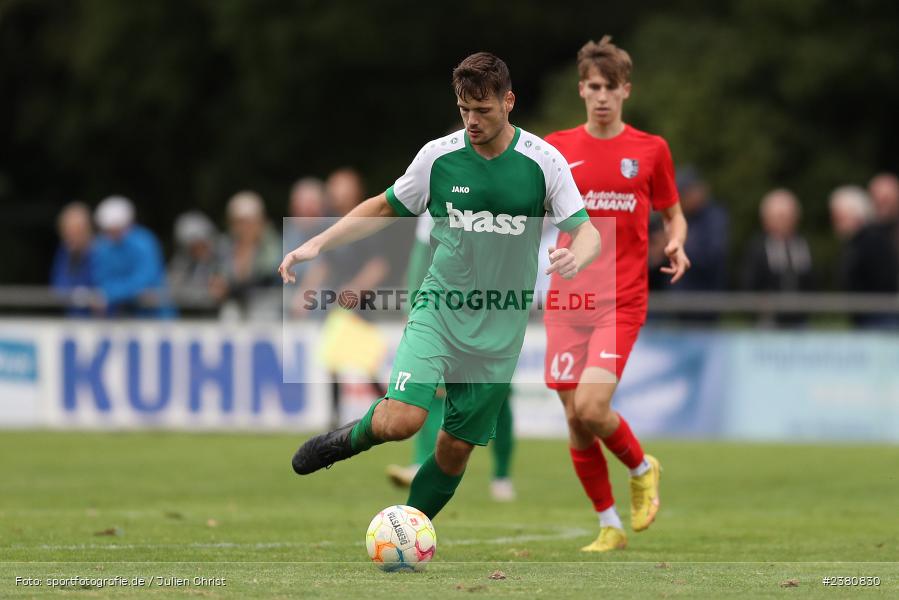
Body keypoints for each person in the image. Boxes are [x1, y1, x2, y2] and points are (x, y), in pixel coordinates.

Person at [280, 52, 599, 520]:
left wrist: (577, 254)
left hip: (500, 328)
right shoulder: (438, 157)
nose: (472, 120)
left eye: (483, 110)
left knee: (453, 450)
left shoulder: (543, 161)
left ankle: (410, 529)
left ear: (509, 102)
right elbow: (384, 207)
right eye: (464, 109)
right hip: (439, 309)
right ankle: (342, 441)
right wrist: (318, 243)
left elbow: (587, 229)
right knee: (403, 420)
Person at [542, 37, 690, 552]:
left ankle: (642, 466)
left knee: (592, 405)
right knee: (574, 420)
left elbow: (673, 212)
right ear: (582, 90)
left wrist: (676, 239)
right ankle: (610, 524)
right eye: (593, 87)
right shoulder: (556, 147)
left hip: (621, 298)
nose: (602, 96)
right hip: (566, 299)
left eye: (611, 88)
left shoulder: (651, 150)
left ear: (627, 90)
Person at [384, 212, 517, 502]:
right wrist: (414, 308)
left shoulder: (500, 198)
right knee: (432, 387)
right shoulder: (435, 196)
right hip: (446, 310)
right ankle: (421, 462)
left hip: (495, 311)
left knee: (500, 395)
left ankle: (502, 474)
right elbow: (421, 257)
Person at [91, 195, 174, 318]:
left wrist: (111, 294)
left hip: (155, 316)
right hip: (120, 317)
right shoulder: (103, 246)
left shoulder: (144, 242)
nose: (112, 234)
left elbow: (146, 279)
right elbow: (101, 278)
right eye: (108, 230)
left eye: (116, 229)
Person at [740, 189, 813, 324]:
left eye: (787, 217)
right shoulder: (757, 247)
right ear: (766, 220)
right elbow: (749, 281)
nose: (783, 222)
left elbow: (811, 280)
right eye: (779, 217)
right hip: (768, 321)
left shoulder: (802, 245)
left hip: (799, 320)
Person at [830, 185, 898, 326]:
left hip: (878, 315)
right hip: (868, 314)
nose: (836, 223)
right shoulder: (857, 242)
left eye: (839, 217)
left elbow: (883, 280)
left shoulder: (871, 240)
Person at [213, 191, 282, 320]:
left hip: (266, 305)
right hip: (233, 308)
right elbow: (219, 274)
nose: (244, 228)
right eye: (238, 222)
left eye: (248, 222)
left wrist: (247, 247)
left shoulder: (272, 245)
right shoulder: (225, 244)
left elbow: (264, 274)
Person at [168, 211, 222, 312]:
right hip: (187, 318)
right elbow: (172, 291)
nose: (197, 248)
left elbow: (221, 293)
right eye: (192, 245)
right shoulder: (181, 262)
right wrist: (204, 294)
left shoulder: (222, 257)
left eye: (201, 243)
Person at [50, 201, 95, 316]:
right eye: (68, 233)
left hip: (105, 322)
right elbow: (58, 284)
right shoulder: (64, 252)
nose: (71, 238)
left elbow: (108, 288)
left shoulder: (102, 251)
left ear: (87, 230)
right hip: (74, 319)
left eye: (76, 232)